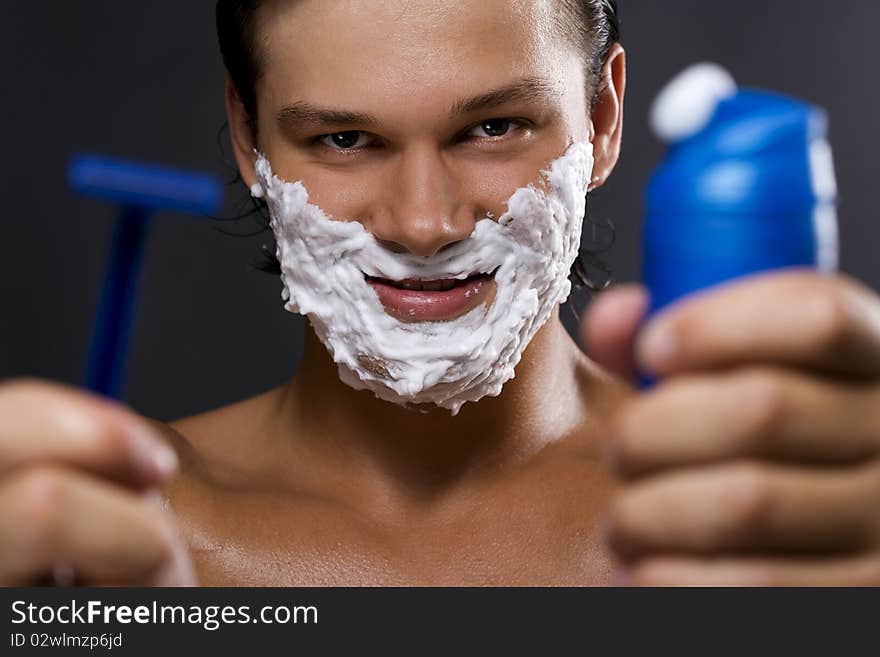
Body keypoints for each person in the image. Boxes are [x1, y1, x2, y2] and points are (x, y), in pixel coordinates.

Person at [2, 0, 879, 587]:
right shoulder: (99, 529)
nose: (424, 225)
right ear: (247, 136)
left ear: (602, 121)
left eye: (493, 127)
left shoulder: (762, 514)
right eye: (346, 138)